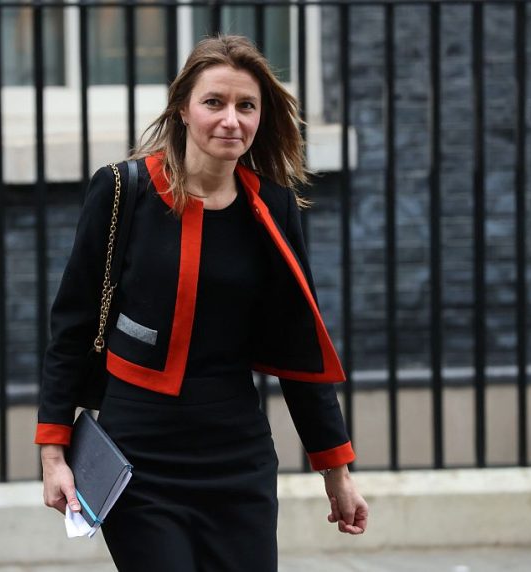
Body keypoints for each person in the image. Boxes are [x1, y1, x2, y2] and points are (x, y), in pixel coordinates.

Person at [36, 35, 367, 571]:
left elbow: (298, 338)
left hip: (236, 456)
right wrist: (54, 452)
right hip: (140, 456)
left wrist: (337, 472)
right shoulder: (124, 190)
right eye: (214, 102)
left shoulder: (273, 206)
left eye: (246, 106)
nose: (230, 119)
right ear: (183, 110)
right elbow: (72, 324)